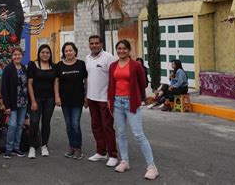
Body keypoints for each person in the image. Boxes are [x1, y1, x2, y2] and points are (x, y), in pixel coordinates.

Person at [108, 40, 159, 180]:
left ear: (129, 50)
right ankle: (124, 161)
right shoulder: (113, 66)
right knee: (121, 134)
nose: (121, 51)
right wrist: (109, 101)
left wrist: (138, 98)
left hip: (131, 102)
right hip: (117, 102)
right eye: (119, 48)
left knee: (138, 134)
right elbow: (111, 84)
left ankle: (152, 167)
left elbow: (143, 83)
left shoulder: (136, 65)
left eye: (124, 48)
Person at [85, 35, 118, 167]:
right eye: (92, 43)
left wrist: (111, 98)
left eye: (96, 43)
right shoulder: (87, 58)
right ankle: (101, 152)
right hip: (92, 98)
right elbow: (88, 78)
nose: (94, 45)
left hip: (105, 99)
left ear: (101, 44)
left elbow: (114, 78)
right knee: (96, 126)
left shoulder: (109, 58)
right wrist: (86, 96)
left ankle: (113, 155)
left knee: (107, 127)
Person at [55, 42, 87, 160]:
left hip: (77, 100)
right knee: (68, 125)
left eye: (70, 50)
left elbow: (86, 81)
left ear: (75, 52)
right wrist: (57, 97)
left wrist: (86, 97)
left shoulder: (81, 64)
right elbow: (56, 82)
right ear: (64, 53)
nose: (68, 52)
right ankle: (71, 147)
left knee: (75, 124)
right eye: (66, 51)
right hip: (65, 100)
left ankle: (78, 148)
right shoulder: (59, 65)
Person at [26, 44, 56, 159]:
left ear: (50, 54)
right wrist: (33, 101)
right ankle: (32, 147)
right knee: (34, 122)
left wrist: (57, 97)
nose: (45, 54)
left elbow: (55, 82)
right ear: (39, 53)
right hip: (36, 98)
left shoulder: (53, 66)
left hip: (50, 99)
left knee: (46, 122)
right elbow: (29, 84)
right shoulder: (33, 65)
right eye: (43, 52)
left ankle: (44, 145)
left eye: (47, 52)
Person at [1, 46, 28, 159]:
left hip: (23, 102)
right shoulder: (8, 68)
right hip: (12, 103)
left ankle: (17, 147)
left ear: (22, 55)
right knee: (12, 125)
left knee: (20, 125)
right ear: (12, 57)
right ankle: (8, 149)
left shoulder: (23, 67)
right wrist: (7, 106)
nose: (17, 56)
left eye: (19, 54)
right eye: (15, 55)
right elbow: (4, 88)